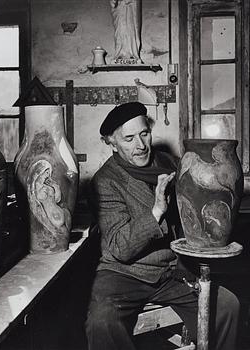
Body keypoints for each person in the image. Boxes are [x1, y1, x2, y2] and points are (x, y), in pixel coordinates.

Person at [86, 102, 240, 350]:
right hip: (125, 274)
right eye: (129, 138)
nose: (141, 145)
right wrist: (157, 210)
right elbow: (119, 248)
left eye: (144, 134)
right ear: (111, 143)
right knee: (102, 322)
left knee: (226, 306)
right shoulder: (106, 181)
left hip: (172, 272)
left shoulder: (170, 163)